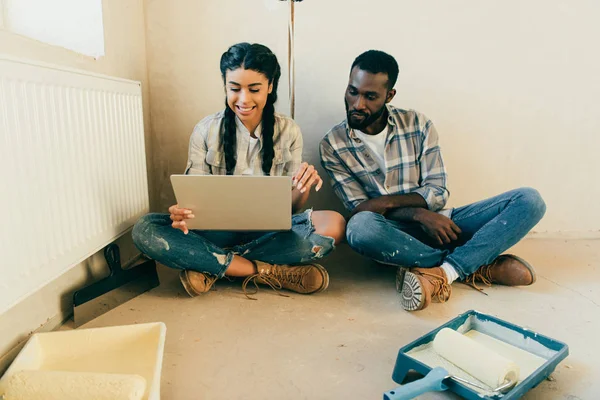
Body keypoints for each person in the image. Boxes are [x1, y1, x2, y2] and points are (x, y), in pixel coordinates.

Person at [319, 50, 546, 311]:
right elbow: (360, 208)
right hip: (392, 236)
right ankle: (467, 266)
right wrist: (417, 214)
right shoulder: (332, 144)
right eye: (352, 91)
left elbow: (437, 192)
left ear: (389, 96)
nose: (358, 104)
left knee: (530, 200)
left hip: (442, 223)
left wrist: (400, 207)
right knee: (359, 228)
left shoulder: (418, 124)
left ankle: (440, 272)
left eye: (370, 97)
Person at [133, 43, 346, 299]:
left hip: (267, 234)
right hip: (215, 234)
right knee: (145, 228)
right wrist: (183, 213)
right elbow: (194, 203)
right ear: (225, 85)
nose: (243, 100)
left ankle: (211, 265)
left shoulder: (288, 131)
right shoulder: (205, 130)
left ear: (270, 86)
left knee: (334, 223)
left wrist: (303, 186)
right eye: (234, 89)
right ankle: (265, 271)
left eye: (254, 89)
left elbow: (291, 210)